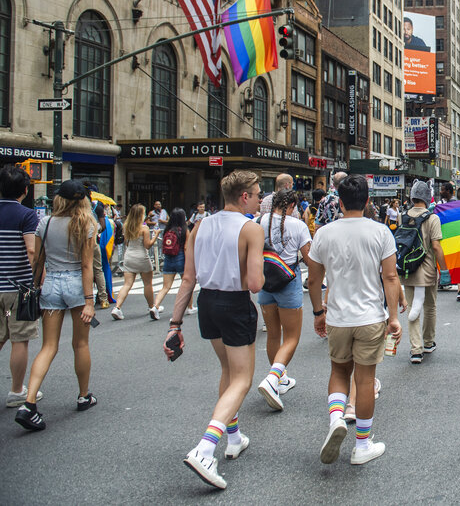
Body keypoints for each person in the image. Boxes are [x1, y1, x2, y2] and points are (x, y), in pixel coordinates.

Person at [164, 170, 265, 490]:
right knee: (243, 379)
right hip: (235, 303)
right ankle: (206, 448)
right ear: (244, 196)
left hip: (207, 303)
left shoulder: (200, 226)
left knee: (227, 370)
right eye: (258, 193)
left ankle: (233, 437)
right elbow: (254, 283)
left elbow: (188, 279)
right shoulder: (250, 229)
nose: (261, 198)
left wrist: (174, 324)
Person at [306, 175, 402, 466]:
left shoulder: (324, 233)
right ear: (368, 201)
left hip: (337, 317)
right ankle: (362, 444)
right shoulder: (381, 232)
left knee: (338, 372)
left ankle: (336, 418)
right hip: (371, 317)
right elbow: (390, 276)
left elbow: (313, 279)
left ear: (341, 202)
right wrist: (394, 317)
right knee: (365, 379)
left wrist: (318, 313)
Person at [15, 180, 99, 431]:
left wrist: (36, 288)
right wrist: (89, 301)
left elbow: (38, 263)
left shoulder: (45, 222)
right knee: (80, 343)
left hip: (51, 282)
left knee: (48, 346)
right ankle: (84, 395)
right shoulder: (87, 224)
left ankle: (28, 402)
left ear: (59, 199)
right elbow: (86, 266)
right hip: (76, 284)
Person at [255, 190, 312, 410]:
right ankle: (273, 378)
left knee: (273, 334)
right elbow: (308, 258)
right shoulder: (297, 225)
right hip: (289, 280)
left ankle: (280, 379)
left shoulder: (260, 221)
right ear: (290, 207)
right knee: (291, 337)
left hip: (266, 280)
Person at [1, 165, 41, 409]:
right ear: (25, 190)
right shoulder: (27, 215)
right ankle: (17, 390)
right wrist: (34, 282)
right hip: (17, 287)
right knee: (19, 338)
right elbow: (31, 251)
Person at [401, 180, 448, 361]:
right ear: (427, 197)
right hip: (427, 270)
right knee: (430, 307)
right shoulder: (432, 218)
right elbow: (436, 247)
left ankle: (415, 349)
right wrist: (443, 270)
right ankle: (428, 342)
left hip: (408, 270)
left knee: (412, 307)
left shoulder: (403, 216)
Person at [111, 204, 159, 320]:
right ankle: (152, 307)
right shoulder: (144, 228)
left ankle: (117, 308)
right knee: (147, 283)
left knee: (127, 284)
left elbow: (126, 243)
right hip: (142, 257)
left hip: (129, 256)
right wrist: (155, 235)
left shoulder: (126, 226)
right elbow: (147, 246)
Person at [152, 208, 194, 318]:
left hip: (168, 259)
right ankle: (190, 307)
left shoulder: (167, 230)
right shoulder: (185, 230)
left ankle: (155, 306)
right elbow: (186, 247)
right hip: (180, 258)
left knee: (165, 287)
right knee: (187, 285)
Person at [92, 202, 113, 307]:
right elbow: (103, 226)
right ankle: (103, 299)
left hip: (77, 243)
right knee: (98, 270)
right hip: (93, 241)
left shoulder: (73, 207)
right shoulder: (97, 208)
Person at [147, 200, 169, 273]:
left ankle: (161, 261)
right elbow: (147, 221)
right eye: (156, 205)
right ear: (154, 206)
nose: (158, 206)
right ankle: (154, 261)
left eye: (159, 204)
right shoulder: (151, 213)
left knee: (161, 246)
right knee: (154, 247)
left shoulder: (164, 212)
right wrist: (154, 222)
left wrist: (163, 221)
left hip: (162, 231)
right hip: (154, 232)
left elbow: (168, 221)